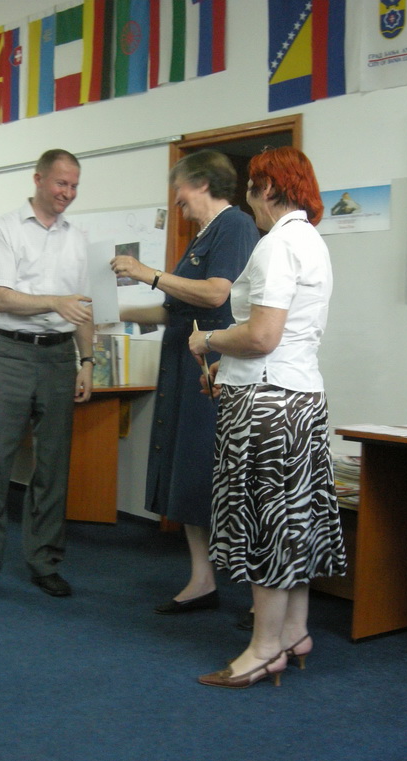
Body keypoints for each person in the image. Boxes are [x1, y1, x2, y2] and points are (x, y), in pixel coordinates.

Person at [189, 146, 347, 688]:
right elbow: (281, 336)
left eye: (252, 188)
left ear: (270, 189)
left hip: (265, 404)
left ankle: (263, 649)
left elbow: (261, 336)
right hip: (298, 397)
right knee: (292, 521)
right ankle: (294, 632)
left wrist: (207, 341)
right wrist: (228, 363)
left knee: (265, 526)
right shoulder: (311, 240)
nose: (248, 199)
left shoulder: (278, 244)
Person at [111, 150, 259, 614]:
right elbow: (173, 309)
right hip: (182, 362)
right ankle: (202, 579)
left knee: (220, 474)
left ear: (201, 183)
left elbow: (216, 293)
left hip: (214, 368)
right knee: (188, 472)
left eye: (179, 188)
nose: (176, 199)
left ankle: (262, 598)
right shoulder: (202, 235)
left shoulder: (235, 226)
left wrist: (148, 274)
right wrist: (109, 312)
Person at [0, 149, 95, 602]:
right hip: (9, 353)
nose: (68, 193)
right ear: (38, 179)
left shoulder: (77, 239)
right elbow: (1, 298)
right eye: (61, 183)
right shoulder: (5, 229)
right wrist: (55, 302)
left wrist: (87, 361)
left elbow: (84, 308)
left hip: (59, 357)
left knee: (53, 467)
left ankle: (45, 561)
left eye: (74, 186)